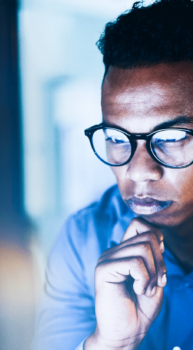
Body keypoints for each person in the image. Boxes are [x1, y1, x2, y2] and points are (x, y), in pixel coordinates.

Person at [34, 1, 193, 349]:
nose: (138, 170)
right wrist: (112, 344)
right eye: (116, 138)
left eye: (171, 138)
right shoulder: (85, 239)